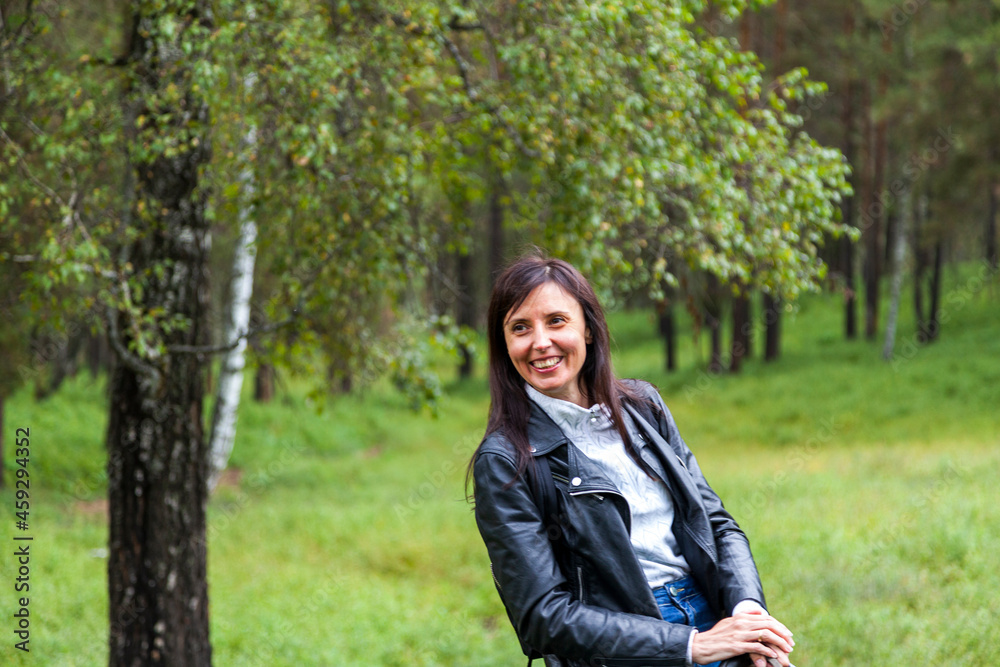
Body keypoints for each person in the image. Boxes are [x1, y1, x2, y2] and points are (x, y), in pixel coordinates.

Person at [468, 254, 795, 667]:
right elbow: (542, 616)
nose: (539, 342)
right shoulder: (504, 460)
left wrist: (747, 608)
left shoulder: (644, 407)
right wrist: (691, 646)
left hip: (713, 612)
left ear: (587, 328)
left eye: (556, 321)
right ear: (505, 346)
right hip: (624, 647)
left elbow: (714, 523)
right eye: (520, 328)